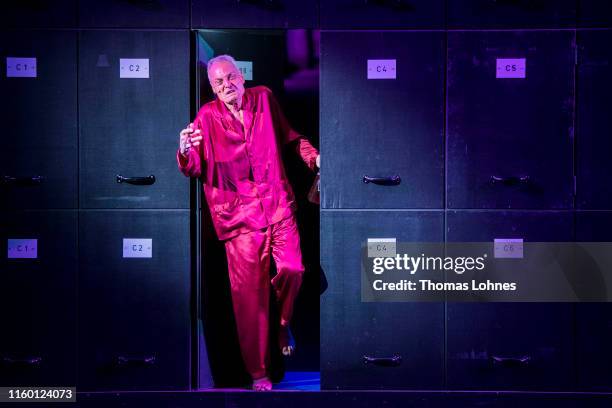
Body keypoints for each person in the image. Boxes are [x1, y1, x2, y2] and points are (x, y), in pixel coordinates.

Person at [177, 55, 320, 391]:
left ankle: (283, 324)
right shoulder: (207, 117)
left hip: (278, 206)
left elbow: (291, 137)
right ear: (212, 89)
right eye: (219, 83)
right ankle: (258, 373)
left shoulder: (264, 98)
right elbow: (193, 166)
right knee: (249, 302)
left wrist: (314, 156)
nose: (227, 86)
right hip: (239, 220)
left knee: (293, 269)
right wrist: (184, 149)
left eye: (231, 78)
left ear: (241, 76)